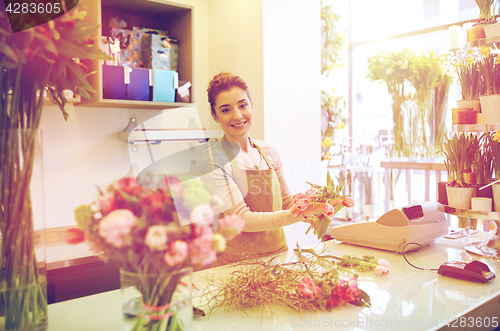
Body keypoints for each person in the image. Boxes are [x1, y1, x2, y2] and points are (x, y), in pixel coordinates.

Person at [201, 72, 323, 266]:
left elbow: (285, 202)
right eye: (226, 110)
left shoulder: (268, 151)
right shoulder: (212, 160)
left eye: (243, 105)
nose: (238, 115)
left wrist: (314, 207)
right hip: (236, 267)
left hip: (278, 258)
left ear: (251, 106)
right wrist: (297, 214)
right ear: (215, 116)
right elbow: (242, 219)